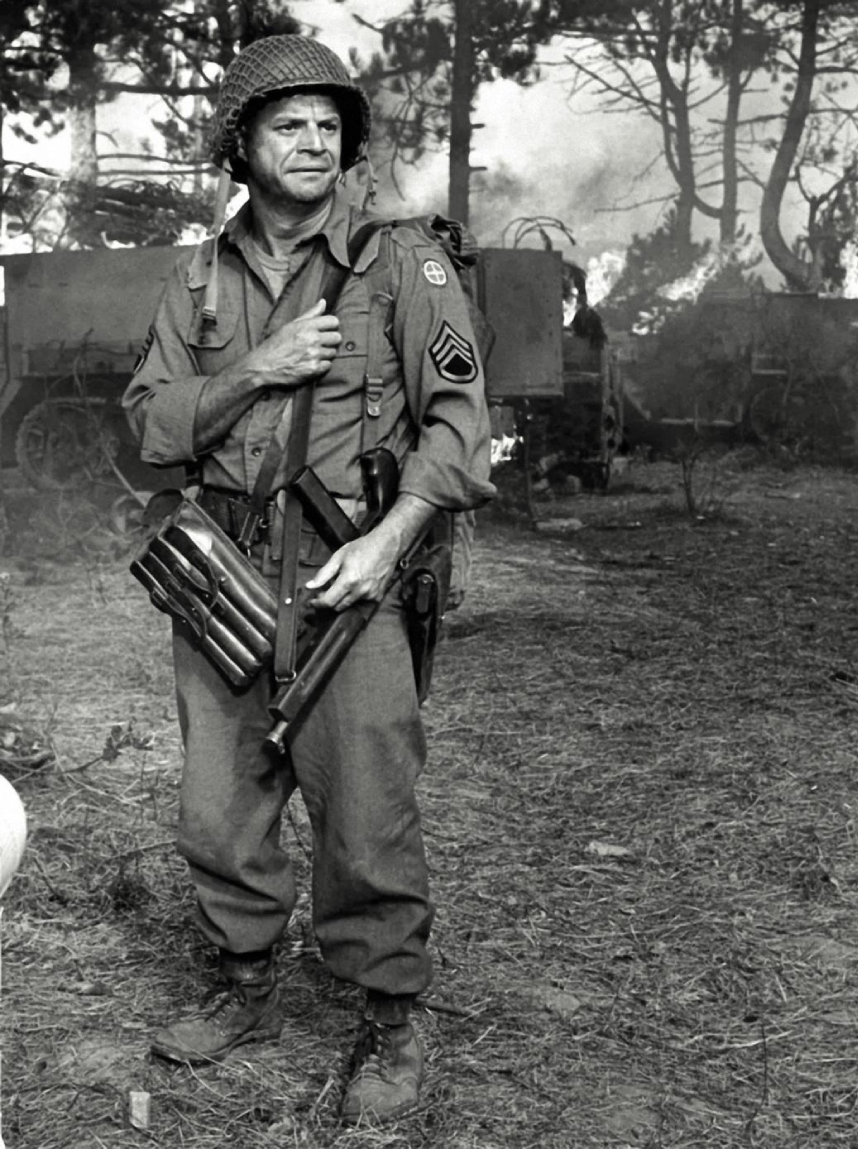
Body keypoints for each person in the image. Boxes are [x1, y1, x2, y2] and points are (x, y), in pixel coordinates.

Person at [122, 33, 494, 1124]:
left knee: (368, 808)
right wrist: (253, 371)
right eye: (287, 123)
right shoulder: (195, 277)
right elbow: (147, 431)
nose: (314, 140)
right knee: (220, 805)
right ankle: (241, 974)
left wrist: (389, 544)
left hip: (351, 579)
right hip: (222, 575)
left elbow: (461, 426)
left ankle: (388, 1009)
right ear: (240, 144)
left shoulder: (402, 260)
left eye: (330, 124)